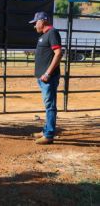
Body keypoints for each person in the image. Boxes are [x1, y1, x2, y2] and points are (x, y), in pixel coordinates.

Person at [29, 11, 62, 145]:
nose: (34, 25)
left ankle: (48, 135)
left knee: (50, 106)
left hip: (48, 78)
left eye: (36, 22)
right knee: (48, 105)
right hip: (43, 78)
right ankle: (45, 131)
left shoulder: (52, 33)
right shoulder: (45, 35)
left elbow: (58, 53)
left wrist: (48, 73)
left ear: (43, 21)